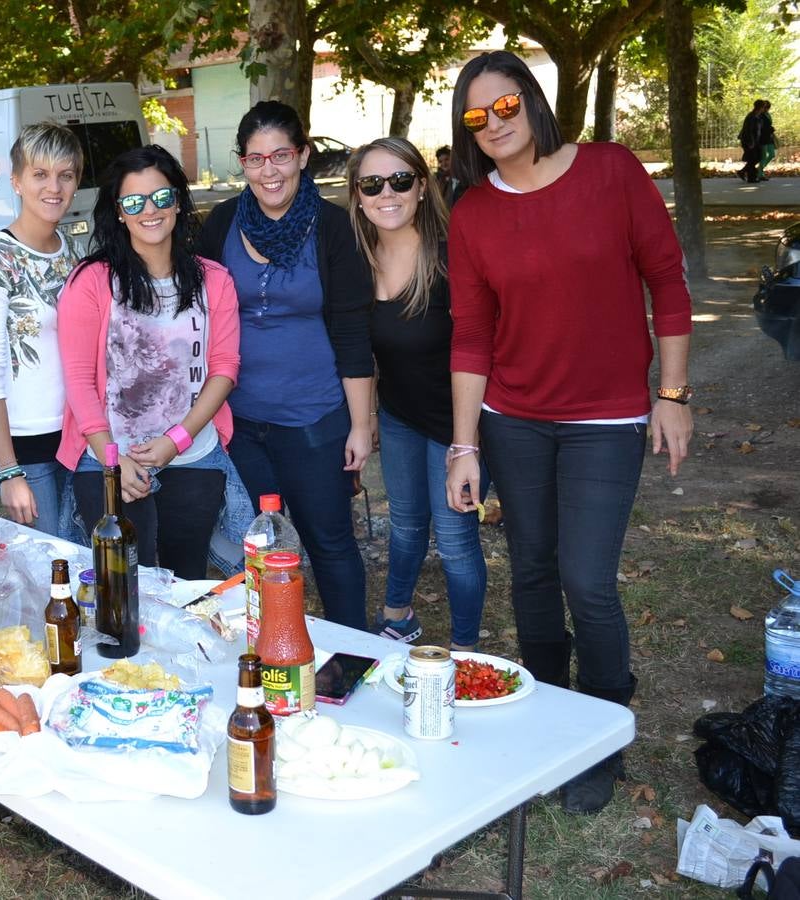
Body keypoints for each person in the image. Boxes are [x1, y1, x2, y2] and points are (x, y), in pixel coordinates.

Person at [445, 51, 693, 814]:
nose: (495, 124)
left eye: (507, 105)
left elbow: (669, 283)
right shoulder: (473, 214)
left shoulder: (612, 171)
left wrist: (673, 394)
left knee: (587, 582)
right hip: (513, 420)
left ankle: (604, 727)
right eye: (476, 116)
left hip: (607, 421)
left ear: (534, 102)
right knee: (530, 576)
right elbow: (472, 338)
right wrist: (464, 445)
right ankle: (552, 718)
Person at [198, 100, 374, 630]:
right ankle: (266, 650)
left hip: (316, 420)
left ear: (302, 156)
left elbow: (352, 331)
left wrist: (361, 426)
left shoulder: (333, 227)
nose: (268, 171)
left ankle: (353, 651)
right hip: (239, 422)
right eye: (255, 159)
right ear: (242, 164)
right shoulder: (222, 223)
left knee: (330, 542)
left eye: (280, 156)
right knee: (255, 548)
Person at [56, 145, 240, 579]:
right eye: (134, 202)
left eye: (160, 197)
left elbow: (224, 368)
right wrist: (112, 459)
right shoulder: (91, 281)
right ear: (119, 212)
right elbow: (79, 380)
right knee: (121, 585)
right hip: (108, 459)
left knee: (186, 581)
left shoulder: (214, 280)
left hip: (193, 454)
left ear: (177, 200)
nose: (149, 211)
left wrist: (176, 439)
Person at [348, 136, 487, 649]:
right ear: (358, 196)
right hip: (402, 418)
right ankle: (397, 618)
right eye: (372, 183)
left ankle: (467, 651)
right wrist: (369, 417)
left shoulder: (452, 259)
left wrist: (465, 444)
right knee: (405, 525)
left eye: (401, 180)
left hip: (459, 424)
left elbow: (478, 349)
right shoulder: (356, 263)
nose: (388, 192)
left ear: (422, 187)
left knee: (453, 542)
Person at [0, 122, 84, 535]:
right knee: (54, 570)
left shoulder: (78, 253)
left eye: (65, 175)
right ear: (16, 181)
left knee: (89, 561)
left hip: (81, 439)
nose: (54, 187)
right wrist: (8, 472)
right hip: (26, 450)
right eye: (40, 174)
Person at [740, 99, 766, 184]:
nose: (764, 109)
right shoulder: (751, 116)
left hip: (755, 141)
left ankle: (743, 172)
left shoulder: (758, 116)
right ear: (760, 107)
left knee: (757, 157)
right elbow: (748, 130)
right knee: (752, 158)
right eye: (763, 107)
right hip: (749, 141)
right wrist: (751, 142)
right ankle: (751, 178)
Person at [759, 99, 777, 181]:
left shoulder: (767, 114)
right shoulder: (760, 115)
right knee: (763, 156)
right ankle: (760, 173)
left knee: (772, 154)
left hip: (769, 137)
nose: (766, 109)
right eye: (765, 107)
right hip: (763, 138)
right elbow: (762, 127)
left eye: (768, 107)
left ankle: (759, 170)